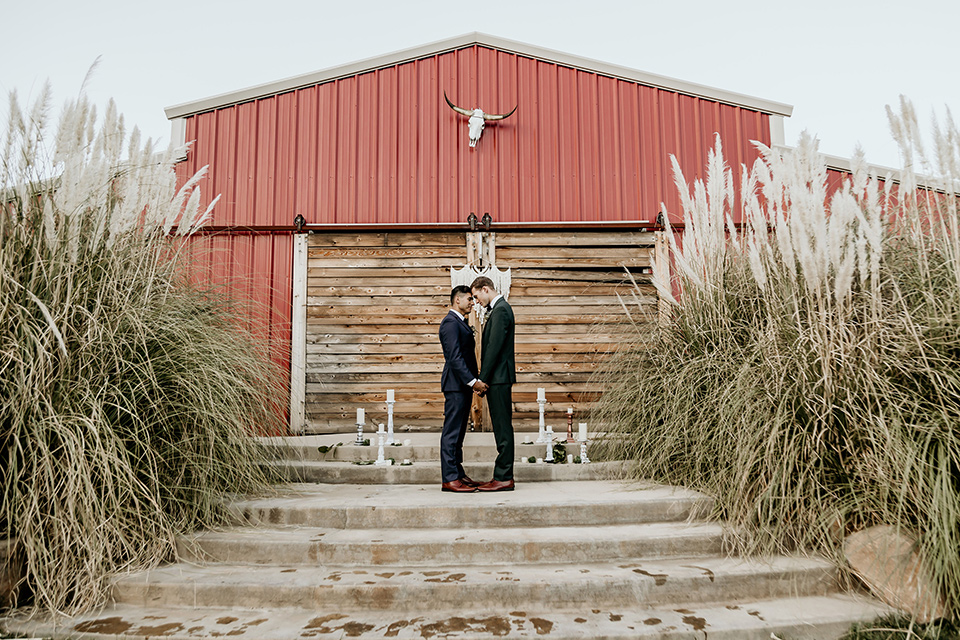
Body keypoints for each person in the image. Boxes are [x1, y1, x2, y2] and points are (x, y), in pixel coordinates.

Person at [438, 286, 489, 492]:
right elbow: (455, 358)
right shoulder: (450, 324)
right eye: (469, 299)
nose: (472, 302)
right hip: (455, 385)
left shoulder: (461, 323)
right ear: (457, 300)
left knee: (459, 433)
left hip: (462, 385)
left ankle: (458, 473)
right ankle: (449, 478)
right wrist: (473, 381)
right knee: (452, 432)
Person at [470, 276, 516, 492]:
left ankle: (504, 477)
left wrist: (483, 380)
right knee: (500, 427)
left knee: (503, 428)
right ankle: (502, 475)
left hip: (498, 378)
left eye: (477, 296)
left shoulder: (501, 310)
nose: (477, 301)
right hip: (498, 378)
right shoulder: (499, 309)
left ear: (485, 289)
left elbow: (494, 347)